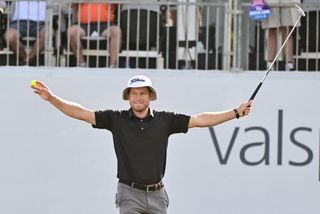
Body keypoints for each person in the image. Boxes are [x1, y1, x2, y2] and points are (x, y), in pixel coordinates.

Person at [31, 75, 252, 214]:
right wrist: (52, 98)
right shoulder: (115, 119)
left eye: (142, 93)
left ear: (150, 96)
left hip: (158, 195)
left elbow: (202, 120)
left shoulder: (166, 120)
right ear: (128, 97)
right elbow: (81, 113)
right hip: (129, 193)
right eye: (134, 94)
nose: (138, 97)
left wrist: (236, 113)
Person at [68, 3, 121, 67]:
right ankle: (82, 64)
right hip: (83, 24)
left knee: (116, 31)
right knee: (71, 32)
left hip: (106, 24)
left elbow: (121, 3)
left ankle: (113, 66)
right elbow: (70, 4)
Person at [262, 0, 302, 71]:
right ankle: (270, 65)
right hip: (271, 3)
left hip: (288, 2)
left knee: (287, 30)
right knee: (272, 30)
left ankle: (289, 64)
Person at [4, 0, 47, 65]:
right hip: (19, 21)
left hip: (41, 23)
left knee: (47, 34)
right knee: (9, 36)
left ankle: (26, 61)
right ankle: (29, 61)